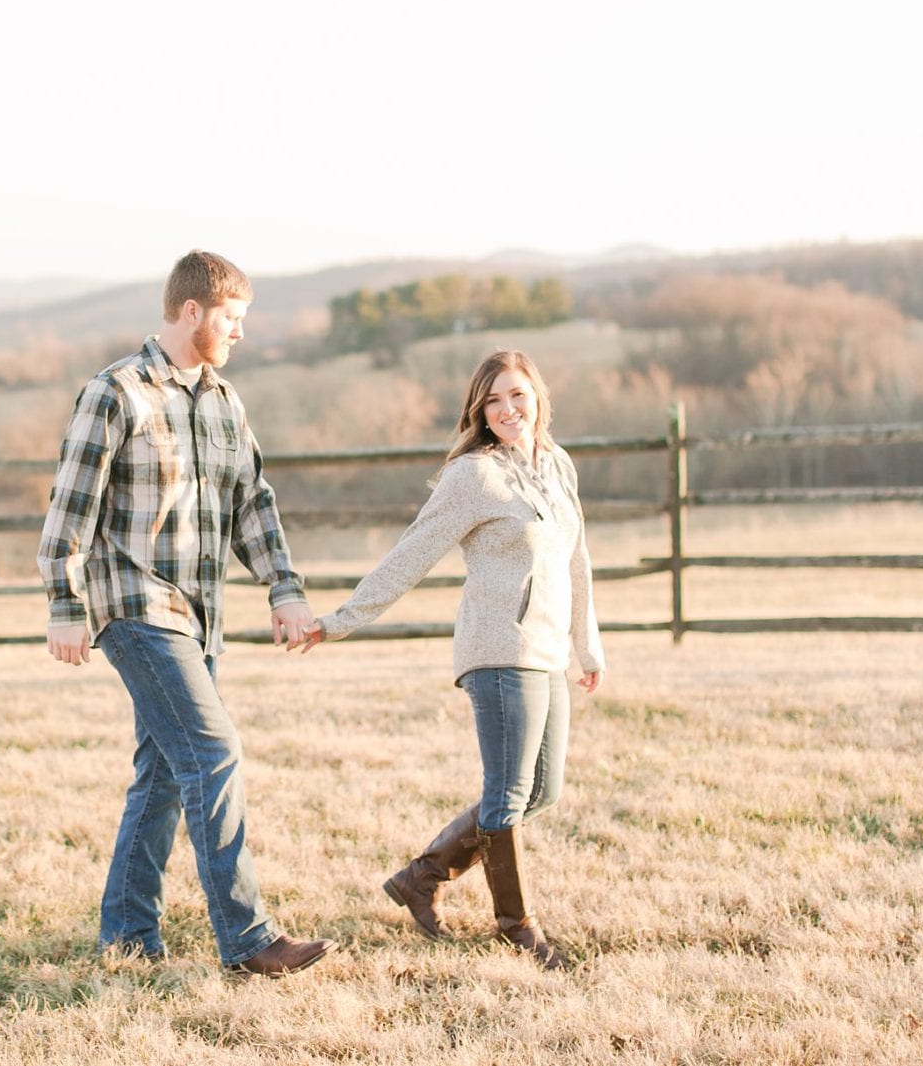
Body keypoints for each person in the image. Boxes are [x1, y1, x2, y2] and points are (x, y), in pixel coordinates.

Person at [37, 250, 336, 977]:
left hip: (200, 617)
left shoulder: (224, 402)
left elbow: (252, 505)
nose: (239, 333)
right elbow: (69, 509)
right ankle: (248, 938)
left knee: (165, 772)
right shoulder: (117, 393)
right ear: (193, 311)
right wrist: (64, 602)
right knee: (213, 751)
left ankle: (128, 934)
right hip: (136, 607)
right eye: (231, 319)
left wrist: (284, 587)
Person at [292, 348, 604, 969]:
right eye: (493, 400)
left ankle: (423, 876)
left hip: (546, 650)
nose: (507, 409)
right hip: (497, 649)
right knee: (508, 793)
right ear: (479, 411)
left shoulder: (556, 465)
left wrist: (585, 643)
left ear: (537, 396)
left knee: (541, 792)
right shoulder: (474, 476)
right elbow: (411, 553)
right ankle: (519, 930)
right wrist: (340, 621)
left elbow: (576, 558)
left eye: (517, 395)